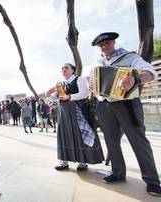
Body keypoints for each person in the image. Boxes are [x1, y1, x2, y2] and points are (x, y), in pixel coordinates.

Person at [90, 32, 161, 196]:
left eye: (106, 43)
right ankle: (118, 173)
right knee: (111, 141)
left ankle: (152, 181)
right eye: (100, 45)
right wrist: (92, 86)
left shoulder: (130, 57)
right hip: (104, 105)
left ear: (114, 42)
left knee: (139, 141)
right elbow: (91, 82)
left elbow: (149, 72)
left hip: (127, 105)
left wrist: (135, 79)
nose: (103, 47)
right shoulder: (97, 63)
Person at [46, 63, 104, 172]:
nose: (63, 69)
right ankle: (64, 161)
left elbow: (85, 93)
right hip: (64, 114)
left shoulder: (79, 79)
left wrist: (69, 96)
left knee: (80, 134)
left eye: (66, 67)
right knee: (64, 135)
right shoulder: (60, 84)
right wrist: (48, 93)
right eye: (62, 68)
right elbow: (56, 98)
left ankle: (82, 162)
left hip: (78, 111)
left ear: (73, 70)